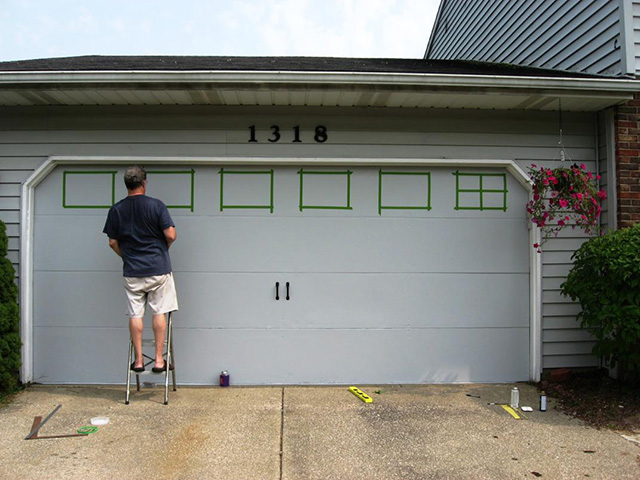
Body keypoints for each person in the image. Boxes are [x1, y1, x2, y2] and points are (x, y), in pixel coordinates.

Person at [103, 165, 178, 373]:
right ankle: (158, 360)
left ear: (127, 184)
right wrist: (164, 248)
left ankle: (137, 361)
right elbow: (170, 235)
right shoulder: (156, 206)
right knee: (159, 311)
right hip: (158, 268)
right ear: (144, 183)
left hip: (133, 271)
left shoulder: (116, 209)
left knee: (135, 314)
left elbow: (112, 242)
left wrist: (126, 256)